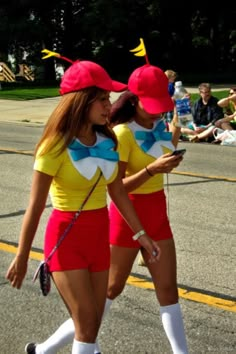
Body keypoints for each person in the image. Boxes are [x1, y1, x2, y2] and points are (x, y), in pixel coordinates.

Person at [23, 63, 189, 354]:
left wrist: (173, 136)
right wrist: (22, 255)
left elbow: (120, 183)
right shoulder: (115, 135)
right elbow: (117, 189)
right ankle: (48, 348)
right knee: (95, 312)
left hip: (146, 221)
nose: (108, 105)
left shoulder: (126, 135)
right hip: (103, 227)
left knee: (159, 295)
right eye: (101, 99)